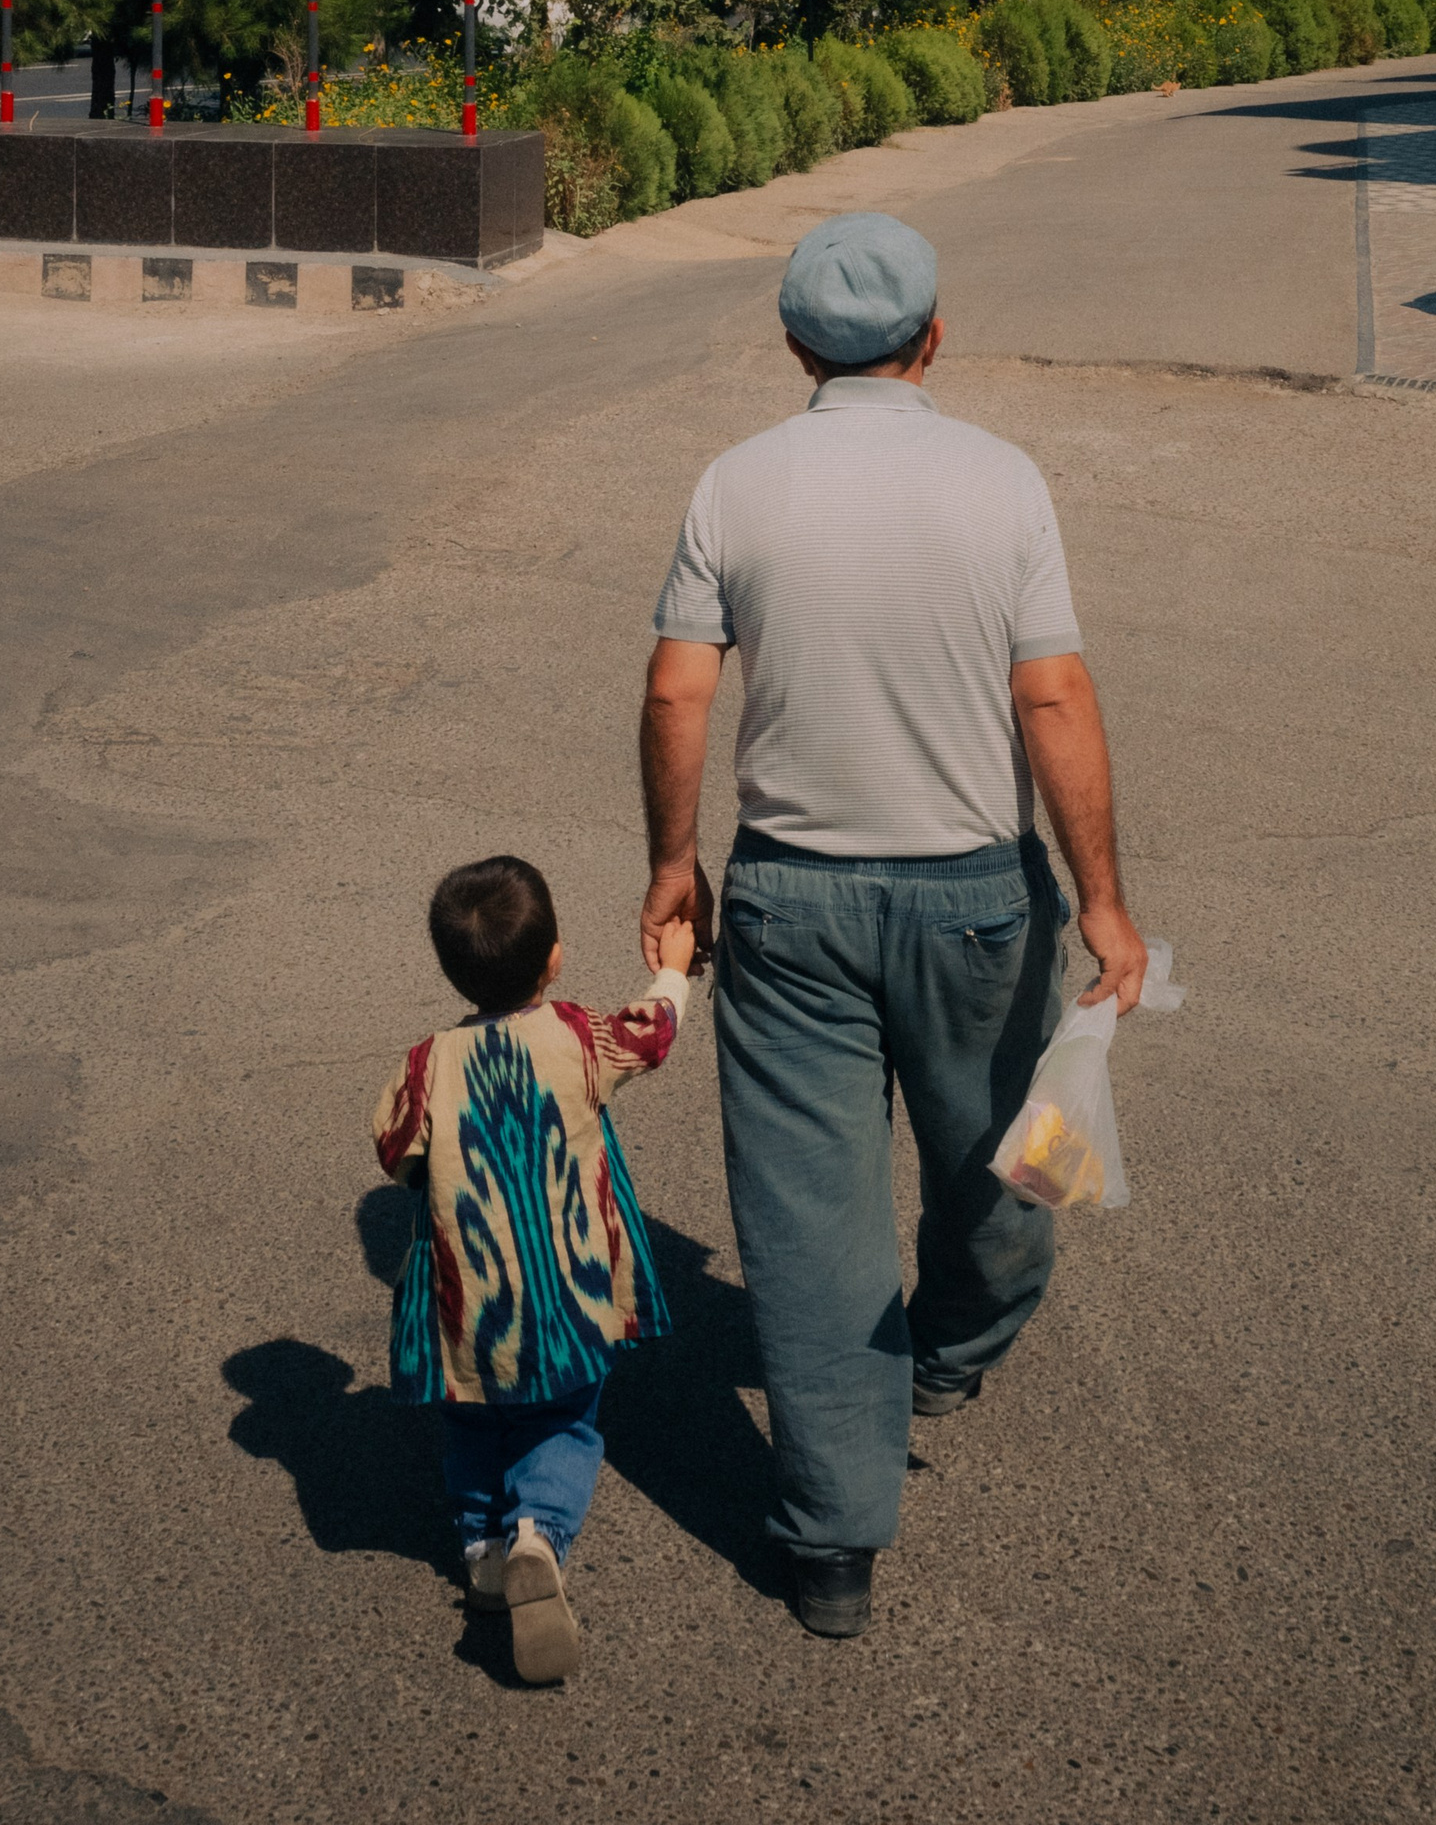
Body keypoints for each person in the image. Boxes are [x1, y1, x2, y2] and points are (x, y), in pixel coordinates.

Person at [640, 210, 1148, 1639]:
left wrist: (675, 864)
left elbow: (680, 691)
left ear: (794, 342)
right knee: (1002, 1169)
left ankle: (831, 1540)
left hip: (789, 897)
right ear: (934, 339)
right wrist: (1103, 898)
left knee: (810, 1225)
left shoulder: (735, 484)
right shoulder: (1003, 482)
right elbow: (1052, 696)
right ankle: (952, 1349)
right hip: (978, 899)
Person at [372, 854, 695, 1683]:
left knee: (474, 1421)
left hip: (470, 1309)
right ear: (554, 957)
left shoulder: (426, 1063)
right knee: (563, 1420)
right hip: (570, 1298)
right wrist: (673, 968)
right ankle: (538, 1535)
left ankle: (482, 1547)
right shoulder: (580, 1037)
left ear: (450, 969)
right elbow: (652, 1032)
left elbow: (393, 1149)